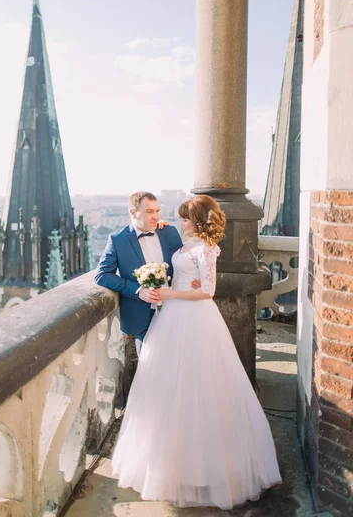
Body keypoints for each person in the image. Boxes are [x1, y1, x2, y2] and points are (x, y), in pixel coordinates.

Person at [111, 194, 282, 510]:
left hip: (195, 321)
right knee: (167, 390)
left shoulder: (205, 250)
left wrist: (170, 293)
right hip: (172, 319)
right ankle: (173, 466)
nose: (180, 222)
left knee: (200, 390)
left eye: (185, 218)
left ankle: (202, 471)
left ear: (197, 221)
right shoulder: (185, 243)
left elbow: (208, 291)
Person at [95, 191, 200, 356]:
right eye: (149, 212)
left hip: (177, 309)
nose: (155, 217)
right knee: (149, 367)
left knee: (180, 361)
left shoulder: (169, 232)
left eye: (157, 211)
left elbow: (185, 262)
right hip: (143, 316)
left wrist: (196, 279)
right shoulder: (118, 240)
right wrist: (138, 291)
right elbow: (102, 275)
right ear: (133, 212)